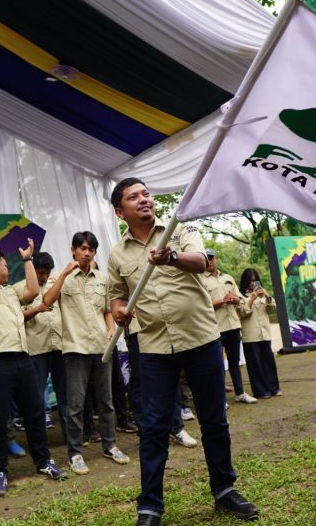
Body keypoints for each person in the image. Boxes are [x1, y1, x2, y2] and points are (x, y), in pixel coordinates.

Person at [107, 178, 258, 525]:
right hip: (154, 347)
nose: (144, 199)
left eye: (146, 194)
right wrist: (118, 311)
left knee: (214, 420)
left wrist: (171, 256)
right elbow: (116, 294)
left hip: (201, 338)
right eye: (134, 197)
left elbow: (203, 261)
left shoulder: (179, 228)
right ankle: (149, 508)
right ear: (120, 211)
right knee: (154, 427)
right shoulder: (118, 254)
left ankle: (224, 491)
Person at [0, 230, 66, 497]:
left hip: (22, 357)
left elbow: (32, 291)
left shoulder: (9, 292)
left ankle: (43, 461)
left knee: (34, 413)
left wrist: (28, 260)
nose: (5, 268)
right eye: (4, 264)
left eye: (6, 265)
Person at [43, 231, 130, 475]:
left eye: (91, 249)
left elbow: (107, 309)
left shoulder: (102, 279)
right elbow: (47, 301)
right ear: (73, 250)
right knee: (75, 405)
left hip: (102, 348)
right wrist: (64, 273)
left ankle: (110, 446)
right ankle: (75, 454)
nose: (86, 252)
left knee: (106, 400)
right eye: (82, 248)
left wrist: (111, 328)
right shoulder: (61, 278)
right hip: (75, 348)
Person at [13, 251, 68, 438]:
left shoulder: (56, 285)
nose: (43, 276)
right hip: (36, 349)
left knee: (66, 396)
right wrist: (37, 309)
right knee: (35, 398)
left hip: (60, 346)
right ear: (31, 269)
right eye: (39, 272)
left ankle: (72, 438)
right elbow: (16, 317)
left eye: (46, 272)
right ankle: (38, 440)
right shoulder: (19, 289)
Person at [202, 249, 258, 405]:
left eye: (212, 258)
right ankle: (220, 399)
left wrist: (235, 300)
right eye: (206, 258)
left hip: (233, 325)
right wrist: (223, 300)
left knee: (235, 362)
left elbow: (240, 298)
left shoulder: (227, 278)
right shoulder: (200, 280)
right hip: (215, 328)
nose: (210, 261)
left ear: (217, 259)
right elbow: (201, 306)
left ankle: (240, 393)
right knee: (216, 365)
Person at [238, 268, 281, 399]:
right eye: (250, 281)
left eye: (255, 280)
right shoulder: (240, 296)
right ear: (245, 282)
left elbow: (272, 308)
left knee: (269, 362)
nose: (252, 284)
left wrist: (267, 296)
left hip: (264, 333)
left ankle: (274, 388)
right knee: (255, 365)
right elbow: (242, 313)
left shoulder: (263, 294)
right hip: (250, 336)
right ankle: (261, 391)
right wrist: (251, 299)